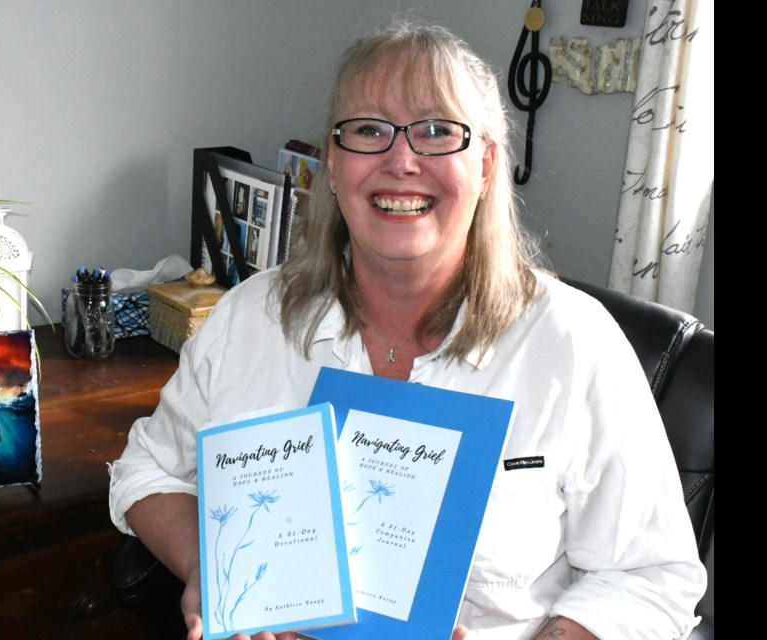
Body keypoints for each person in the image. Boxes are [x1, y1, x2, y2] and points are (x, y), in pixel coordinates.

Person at [108, 20, 707, 640]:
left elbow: (652, 577)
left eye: (437, 132)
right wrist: (213, 573)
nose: (401, 160)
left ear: (486, 166)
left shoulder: (574, 345)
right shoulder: (248, 318)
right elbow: (148, 472)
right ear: (333, 165)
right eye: (368, 130)